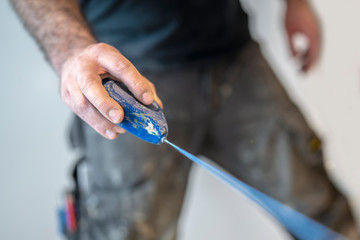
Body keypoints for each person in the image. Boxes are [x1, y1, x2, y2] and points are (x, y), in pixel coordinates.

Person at [10, 0, 358, 239]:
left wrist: (295, 2)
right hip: (127, 78)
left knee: (323, 214)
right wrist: (71, 52)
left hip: (234, 52)